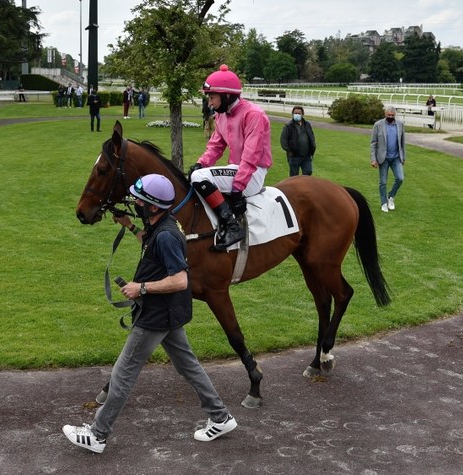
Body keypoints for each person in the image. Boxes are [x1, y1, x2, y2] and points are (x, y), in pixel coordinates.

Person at [62, 174, 237, 454]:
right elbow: (150, 244)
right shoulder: (161, 226)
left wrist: (140, 288)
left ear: (153, 207)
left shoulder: (167, 235)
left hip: (156, 315)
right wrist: (129, 225)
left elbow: (180, 280)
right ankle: (221, 417)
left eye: (139, 201)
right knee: (187, 365)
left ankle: (98, 434)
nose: (135, 203)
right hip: (169, 312)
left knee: (123, 373)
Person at [188, 64, 272, 251]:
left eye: (212, 97)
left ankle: (233, 227)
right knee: (197, 173)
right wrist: (200, 163)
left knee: (199, 178)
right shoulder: (221, 115)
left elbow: (251, 156)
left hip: (252, 174)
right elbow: (216, 146)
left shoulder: (254, 115)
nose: (209, 103)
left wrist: (237, 189)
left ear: (226, 95)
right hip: (237, 170)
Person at [370, 105, 406, 213]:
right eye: (388, 115)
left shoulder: (400, 124)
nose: (390, 116)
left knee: (400, 178)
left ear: (395, 115)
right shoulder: (378, 125)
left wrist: (403, 156)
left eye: (392, 115)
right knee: (383, 182)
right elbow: (373, 143)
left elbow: (402, 142)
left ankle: (391, 196)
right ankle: (384, 203)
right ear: (385, 114)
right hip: (383, 158)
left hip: (396, 158)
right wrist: (373, 159)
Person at [279, 106, 317, 176]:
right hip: (294, 156)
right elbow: (283, 141)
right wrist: (290, 151)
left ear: (302, 114)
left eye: (299, 113)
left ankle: (304, 187)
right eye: (295, 113)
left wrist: (313, 146)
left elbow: (311, 136)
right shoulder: (288, 126)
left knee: (308, 172)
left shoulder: (307, 124)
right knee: (294, 176)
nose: (297, 115)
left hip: (307, 156)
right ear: (292, 114)